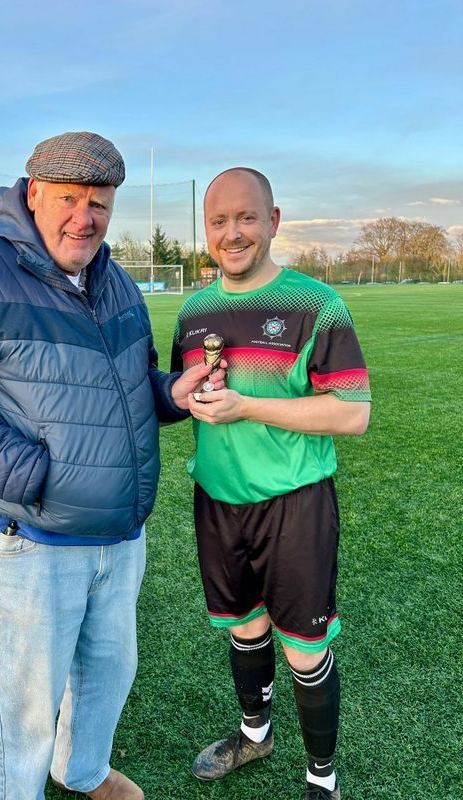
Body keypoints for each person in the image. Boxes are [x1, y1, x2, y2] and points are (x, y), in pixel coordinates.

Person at [0, 132, 223, 800]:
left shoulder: (115, 281)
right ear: (33, 194)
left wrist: (173, 393)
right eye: (70, 199)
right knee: (22, 708)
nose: (85, 216)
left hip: (119, 537)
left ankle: (81, 772)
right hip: (36, 539)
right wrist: (38, 479)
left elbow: (132, 382)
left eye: (100, 203)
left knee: (107, 678)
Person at [170, 168, 371, 800]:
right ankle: (254, 735)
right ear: (207, 231)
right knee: (243, 628)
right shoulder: (194, 310)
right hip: (218, 501)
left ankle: (322, 780)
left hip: (294, 505)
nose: (233, 233)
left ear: (274, 221)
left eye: (247, 218)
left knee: (304, 648)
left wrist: (248, 407)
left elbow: (352, 411)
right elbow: (189, 395)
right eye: (219, 221)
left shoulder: (315, 304)